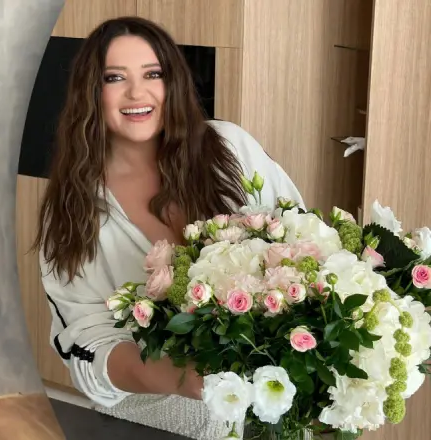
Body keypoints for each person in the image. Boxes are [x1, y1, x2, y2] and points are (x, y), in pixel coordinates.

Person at [33, 17, 305, 440]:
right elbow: (87, 341)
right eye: (114, 77)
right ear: (91, 91)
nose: (136, 93)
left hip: (272, 394)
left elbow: (303, 240)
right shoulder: (73, 207)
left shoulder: (230, 147)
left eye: (152, 74)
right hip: (154, 412)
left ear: (171, 82)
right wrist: (182, 378)